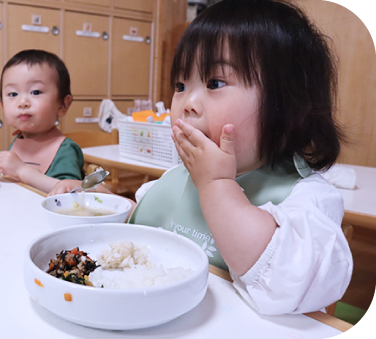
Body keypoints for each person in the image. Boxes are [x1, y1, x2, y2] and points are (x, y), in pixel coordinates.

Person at [50, 0, 353, 315]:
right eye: (181, 85)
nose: (187, 103)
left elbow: (284, 283)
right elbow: (147, 229)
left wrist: (216, 184)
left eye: (215, 83)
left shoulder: (308, 200)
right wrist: (106, 204)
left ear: (290, 106)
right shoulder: (176, 177)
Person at [0, 49, 84, 193]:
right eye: (13, 94)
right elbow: (8, 163)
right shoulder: (21, 138)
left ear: (63, 105)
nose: (22, 102)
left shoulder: (65, 150)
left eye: (36, 92)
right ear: (3, 105)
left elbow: (71, 192)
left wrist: (21, 170)